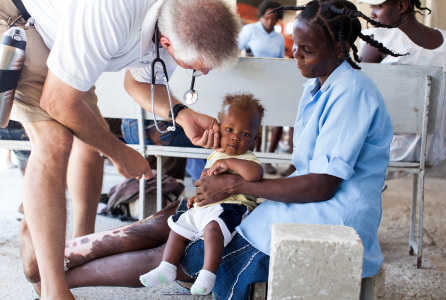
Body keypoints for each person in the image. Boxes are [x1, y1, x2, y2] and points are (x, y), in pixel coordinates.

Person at [20, 1, 400, 299]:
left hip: (325, 218)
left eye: (306, 50)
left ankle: (62, 273)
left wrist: (239, 184)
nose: (296, 57)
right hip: (301, 208)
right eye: (295, 47)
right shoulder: (318, 86)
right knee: (172, 217)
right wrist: (137, 146)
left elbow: (321, 185)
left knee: (181, 252)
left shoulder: (351, 93)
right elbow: (113, 89)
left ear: (338, 46)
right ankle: (60, 257)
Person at [1, 0, 241, 298]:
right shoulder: (110, 10)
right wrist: (121, 152)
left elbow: (138, 83)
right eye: (194, 67)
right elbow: (57, 102)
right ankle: (53, 287)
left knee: (89, 145)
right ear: (167, 42)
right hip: (20, 18)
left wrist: (182, 115)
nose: (200, 74)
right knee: (55, 140)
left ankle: (73, 246)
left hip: (61, 34)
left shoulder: (171, 21)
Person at [139, 93, 265, 295]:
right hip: (206, 207)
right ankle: (167, 266)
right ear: (218, 130)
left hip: (231, 209)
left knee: (213, 231)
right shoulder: (215, 153)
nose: (235, 137)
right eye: (230, 130)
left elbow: (256, 175)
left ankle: (208, 274)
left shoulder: (248, 158)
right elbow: (206, 182)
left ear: (254, 140)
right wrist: (197, 197)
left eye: (245, 134)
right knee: (179, 227)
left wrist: (229, 163)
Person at [359, 0, 446, 169]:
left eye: (377, 7)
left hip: (387, 149)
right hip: (434, 149)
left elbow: (353, 88)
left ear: (401, 6)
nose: (371, 14)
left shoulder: (380, 40)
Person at [238, 1, 293, 175]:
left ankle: (266, 158)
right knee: (254, 122)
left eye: (275, 17)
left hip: (271, 82)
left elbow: (278, 60)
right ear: (261, 15)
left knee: (274, 120)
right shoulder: (250, 30)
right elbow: (236, 51)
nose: (270, 21)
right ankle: (251, 159)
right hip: (252, 81)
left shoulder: (278, 37)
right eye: (268, 16)